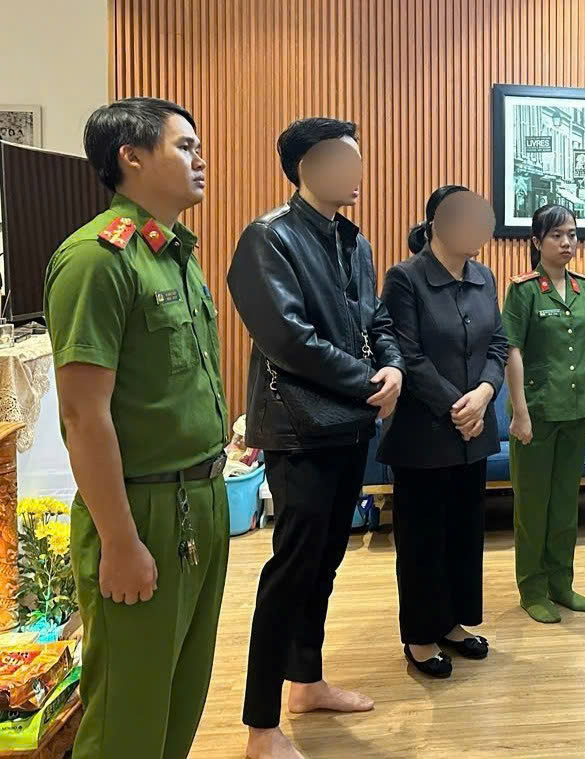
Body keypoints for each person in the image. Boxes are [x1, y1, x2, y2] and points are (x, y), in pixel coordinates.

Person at [45, 97, 228, 758]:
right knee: (129, 706)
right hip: (143, 506)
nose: (200, 159)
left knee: (181, 692)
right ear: (131, 156)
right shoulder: (97, 259)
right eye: (184, 146)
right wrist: (120, 541)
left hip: (204, 496)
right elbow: (82, 414)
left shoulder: (174, 254)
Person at [227, 118, 404, 759]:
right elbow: (288, 339)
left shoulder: (353, 241)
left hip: (349, 425)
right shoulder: (268, 237)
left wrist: (394, 367)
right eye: (342, 160)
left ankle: (306, 683)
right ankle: (260, 727)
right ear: (305, 166)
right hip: (297, 427)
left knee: (325, 560)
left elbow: (376, 320)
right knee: (290, 569)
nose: (356, 173)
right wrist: (368, 381)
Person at [377, 185, 506, 678]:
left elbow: (498, 344)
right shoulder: (405, 278)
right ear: (436, 224)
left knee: (464, 534)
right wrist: (459, 405)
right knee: (422, 539)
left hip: (475, 429)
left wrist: (485, 395)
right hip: (425, 432)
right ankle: (420, 636)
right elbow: (406, 355)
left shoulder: (483, 277)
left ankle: (452, 623)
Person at [502, 204, 585, 624]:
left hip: (575, 412)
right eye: (556, 235)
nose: (567, 243)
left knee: (564, 505)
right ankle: (532, 589)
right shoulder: (523, 290)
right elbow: (511, 350)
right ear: (536, 241)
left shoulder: (584, 289)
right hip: (537, 412)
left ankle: (561, 583)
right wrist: (520, 413)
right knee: (533, 506)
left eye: (572, 235)